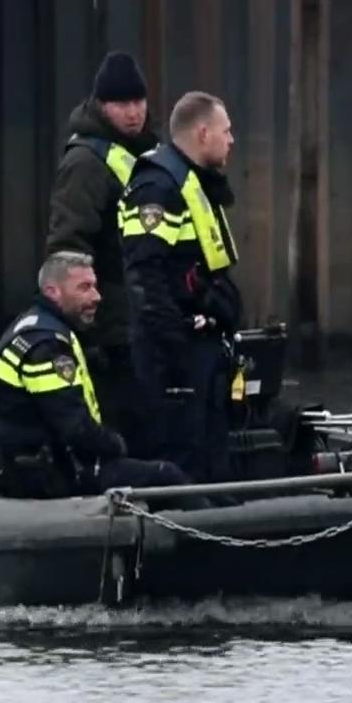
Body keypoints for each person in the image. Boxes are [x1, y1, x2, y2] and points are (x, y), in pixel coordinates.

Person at [0, 250, 192, 499]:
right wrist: (116, 445)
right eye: (84, 288)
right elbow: (75, 428)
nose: (97, 297)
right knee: (166, 475)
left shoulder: (36, 324)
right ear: (53, 292)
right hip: (41, 473)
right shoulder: (47, 344)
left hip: (31, 463)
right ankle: (216, 534)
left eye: (95, 287)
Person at [118, 90, 242, 483]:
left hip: (203, 346)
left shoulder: (197, 184)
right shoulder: (157, 188)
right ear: (203, 133)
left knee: (212, 451)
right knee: (182, 450)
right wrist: (174, 347)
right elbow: (145, 277)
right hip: (173, 354)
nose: (232, 140)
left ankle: (221, 519)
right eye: (227, 131)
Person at [46, 51, 161, 446]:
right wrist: (86, 326)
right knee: (125, 420)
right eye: (121, 104)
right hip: (113, 322)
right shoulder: (86, 163)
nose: (133, 113)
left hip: (145, 314)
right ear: (101, 105)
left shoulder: (143, 151)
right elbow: (68, 244)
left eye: (138, 102)